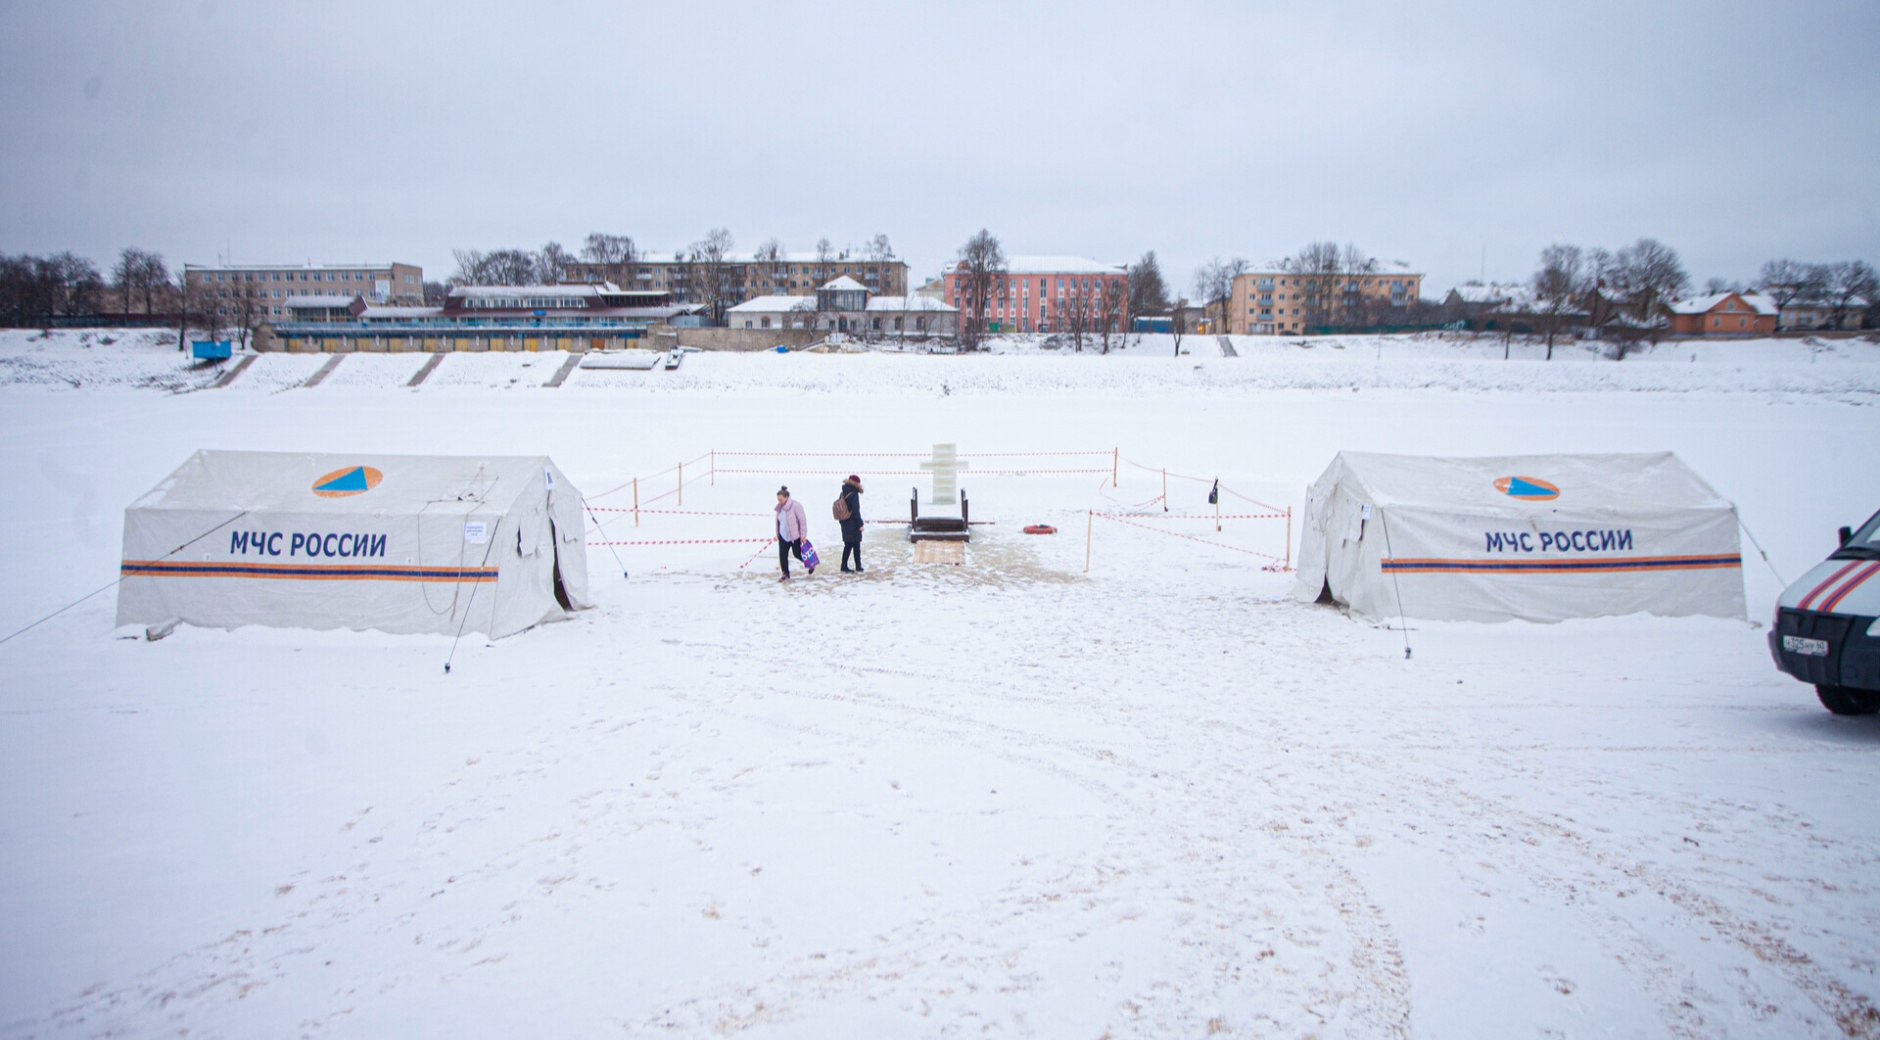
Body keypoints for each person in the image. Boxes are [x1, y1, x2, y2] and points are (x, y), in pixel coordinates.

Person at [774, 486, 812, 581]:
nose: (780, 502)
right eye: (778, 500)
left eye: (781, 500)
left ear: (787, 497)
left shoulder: (796, 506)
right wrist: (778, 533)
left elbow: (802, 521)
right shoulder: (780, 508)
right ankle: (785, 574)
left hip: (795, 536)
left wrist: (803, 535)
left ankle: (810, 563)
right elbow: (778, 522)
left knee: (797, 554)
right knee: (783, 555)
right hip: (783, 535)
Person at [838, 475, 865, 572]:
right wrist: (860, 524)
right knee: (856, 545)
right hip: (853, 523)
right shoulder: (854, 494)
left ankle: (844, 565)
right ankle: (858, 566)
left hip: (844, 522)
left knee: (848, 545)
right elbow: (856, 511)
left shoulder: (843, 493)